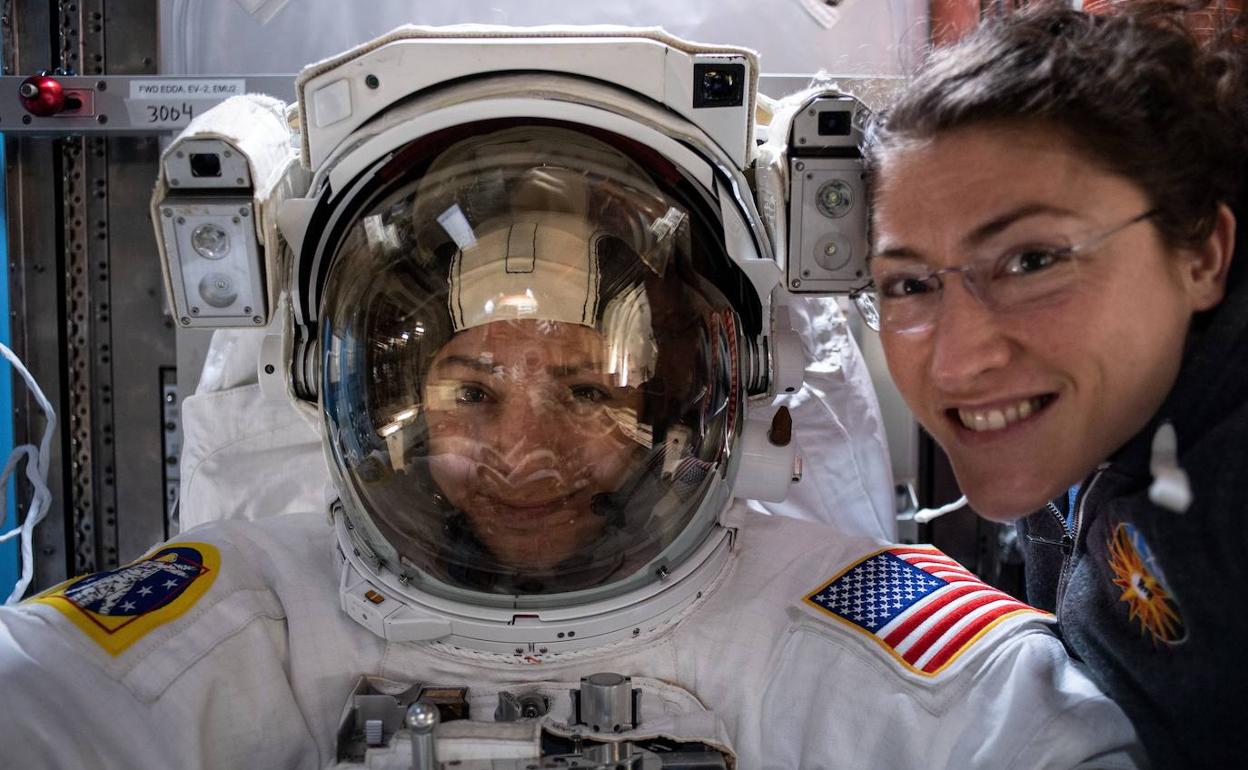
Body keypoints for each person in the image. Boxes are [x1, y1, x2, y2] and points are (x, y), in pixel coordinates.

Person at [0, 64, 1141, 770]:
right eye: (469, 390)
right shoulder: (268, 608)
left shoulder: (805, 614)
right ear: (365, 397)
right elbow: (48, 700)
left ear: (689, 401)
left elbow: (1014, 726)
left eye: (591, 391)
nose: (523, 452)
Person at [856, 2, 1248, 766]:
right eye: (907, 284)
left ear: (1201, 256)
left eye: (1033, 262)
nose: (956, 362)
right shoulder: (1092, 416)